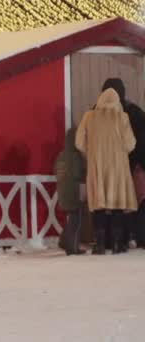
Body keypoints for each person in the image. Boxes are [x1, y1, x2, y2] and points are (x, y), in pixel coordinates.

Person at [75, 88, 137, 255]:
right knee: (117, 206)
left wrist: (92, 150)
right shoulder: (122, 117)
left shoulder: (89, 117)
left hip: (98, 166)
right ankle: (117, 244)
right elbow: (131, 144)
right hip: (118, 168)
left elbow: (79, 142)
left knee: (99, 208)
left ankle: (100, 244)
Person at [101, 79, 145, 249]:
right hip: (133, 166)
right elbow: (140, 141)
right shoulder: (134, 112)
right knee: (137, 205)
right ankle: (136, 237)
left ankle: (110, 240)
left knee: (109, 204)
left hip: (106, 168)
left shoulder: (94, 113)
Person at [54, 128, 86, 255]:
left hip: (62, 191)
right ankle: (72, 247)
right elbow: (78, 173)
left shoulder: (61, 155)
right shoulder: (75, 156)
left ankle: (64, 240)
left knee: (71, 219)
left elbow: (54, 170)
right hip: (73, 192)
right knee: (76, 221)